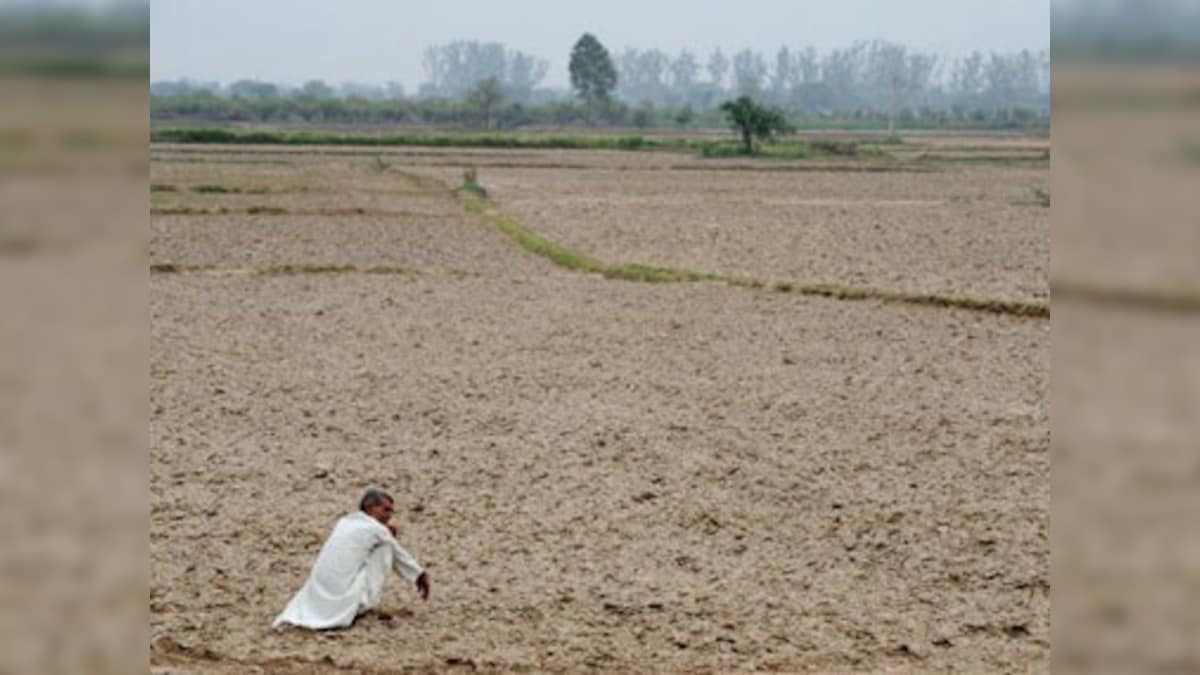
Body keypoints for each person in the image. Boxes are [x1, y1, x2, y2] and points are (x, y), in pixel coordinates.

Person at [272, 488, 430, 630]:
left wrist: (386, 533)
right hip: (342, 600)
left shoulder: (345, 522)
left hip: (316, 596)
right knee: (386, 548)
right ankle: (364, 604)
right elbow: (398, 553)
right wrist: (419, 575)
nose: (389, 516)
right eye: (385, 510)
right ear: (370, 508)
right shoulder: (375, 529)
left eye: (391, 511)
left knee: (381, 545)